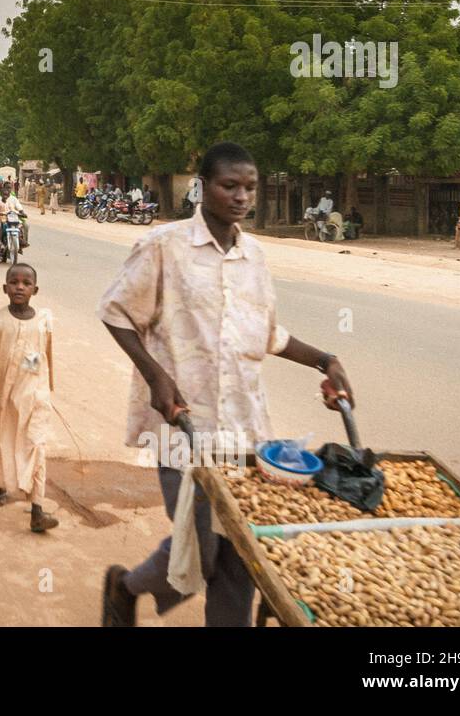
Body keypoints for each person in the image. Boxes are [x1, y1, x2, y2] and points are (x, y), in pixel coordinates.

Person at [98, 141, 355, 628]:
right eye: (229, 185)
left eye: (249, 187)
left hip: (245, 433)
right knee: (202, 551)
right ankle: (126, 586)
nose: (241, 196)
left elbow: (268, 335)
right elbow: (115, 312)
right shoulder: (164, 246)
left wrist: (326, 360)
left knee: (241, 555)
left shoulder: (254, 255)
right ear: (203, 187)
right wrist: (156, 375)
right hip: (182, 427)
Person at [0, 263, 59, 533]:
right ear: (5, 287)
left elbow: (44, 356)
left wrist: (41, 383)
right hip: (4, 397)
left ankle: (38, 510)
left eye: (26, 283)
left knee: (36, 444)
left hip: (34, 395)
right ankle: (1, 485)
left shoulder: (43, 321)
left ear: (35, 289)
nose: (20, 287)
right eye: (14, 282)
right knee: (2, 439)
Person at [0, 180, 30, 252]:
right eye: (6, 188)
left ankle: (22, 242)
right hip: (2, 218)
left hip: (13, 218)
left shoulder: (13, 198)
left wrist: (22, 213)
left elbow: (19, 207)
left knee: (25, 225)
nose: (8, 190)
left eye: (9, 188)